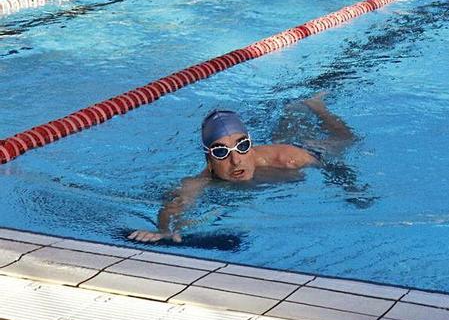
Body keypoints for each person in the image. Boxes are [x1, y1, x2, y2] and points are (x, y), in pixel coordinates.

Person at [128, 93, 355, 243]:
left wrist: (351, 188)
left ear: (251, 145)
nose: (236, 161)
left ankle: (316, 105)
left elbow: (334, 166)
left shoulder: (288, 159)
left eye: (242, 146)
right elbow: (176, 206)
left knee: (346, 140)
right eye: (221, 152)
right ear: (209, 160)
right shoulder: (200, 180)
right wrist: (165, 230)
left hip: (303, 145)